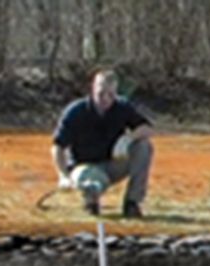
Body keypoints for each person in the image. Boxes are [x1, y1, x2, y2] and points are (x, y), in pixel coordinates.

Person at [52, 69, 155, 218]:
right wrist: (63, 175)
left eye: (111, 95)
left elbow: (147, 128)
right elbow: (58, 147)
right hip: (85, 168)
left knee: (144, 146)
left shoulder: (122, 107)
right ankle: (91, 201)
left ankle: (132, 203)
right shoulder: (75, 112)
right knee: (90, 183)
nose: (106, 99)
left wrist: (128, 138)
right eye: (101, 94)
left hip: (113, 165)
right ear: (93, 89)